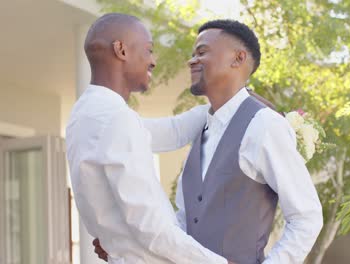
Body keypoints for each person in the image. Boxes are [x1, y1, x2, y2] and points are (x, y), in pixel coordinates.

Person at [94, 19, 323, 264]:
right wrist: (126, 247)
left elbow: (306, 217)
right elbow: (182, 226)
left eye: (202, 52)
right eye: (193, 54)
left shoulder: (265, 126)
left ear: (238, 58)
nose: (192, 61)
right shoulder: (201, 126)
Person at [66, 13, 234, 264]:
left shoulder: (85, 115)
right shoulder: (114, 119)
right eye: (149, 50)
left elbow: (172, 131)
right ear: (121, 50)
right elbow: (152, 228)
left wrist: (236, 102)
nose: (153, 61)